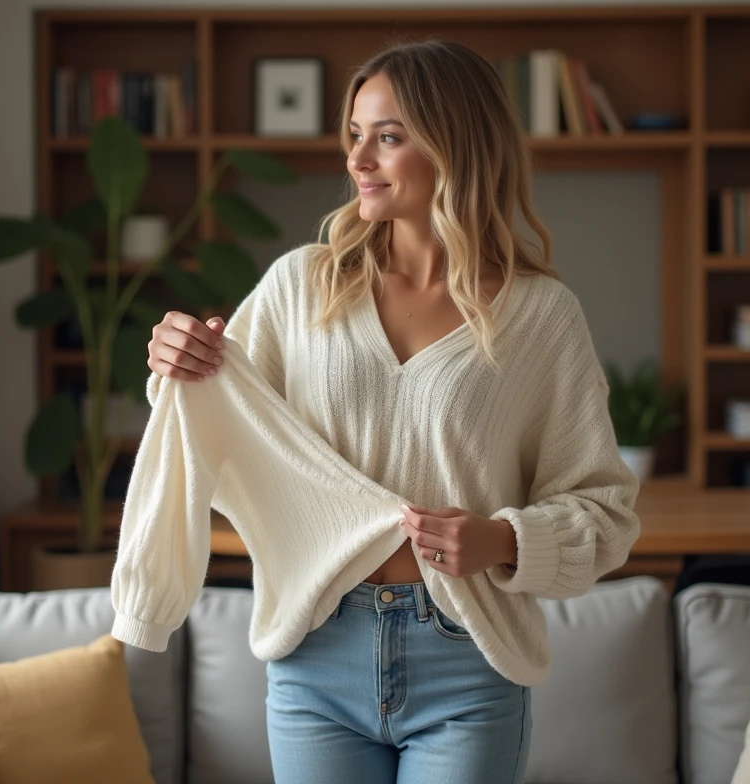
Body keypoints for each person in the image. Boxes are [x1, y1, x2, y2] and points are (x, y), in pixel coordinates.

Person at [141, 39, 640, 784]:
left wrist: (504, 540)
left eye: (388, 136)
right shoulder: (300, 288)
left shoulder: (542, 317)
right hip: (316, 658)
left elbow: (606, 513)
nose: (358, 159)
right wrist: (172, 363)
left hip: (466, 665)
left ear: (456, 144)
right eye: (354, 135)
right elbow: (205, 414)